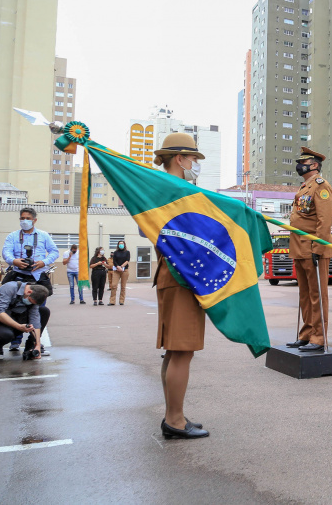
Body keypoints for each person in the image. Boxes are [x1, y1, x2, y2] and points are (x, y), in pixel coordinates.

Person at [151, 132, 209, 439]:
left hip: (174, 274)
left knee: (175, 351)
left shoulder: (163, 190)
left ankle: (176, 415)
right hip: (181, 274)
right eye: (194, 159)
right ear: (180, 158)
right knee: (182, 351)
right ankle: (174, 420)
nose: (195, 164)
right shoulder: (176, 191)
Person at [285, 147, 332, 353]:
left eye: (303, 162)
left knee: (317, 294)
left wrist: (318, 246)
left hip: (313, 247)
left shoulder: (321, 187)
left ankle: (318, 337)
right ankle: (306, 334)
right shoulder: (304, 187)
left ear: (314, 165)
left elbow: (324, 221)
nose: (300, 165)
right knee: (304, 294)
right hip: (299, 247)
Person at [2, 207, 58, 354]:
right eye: (22, 218)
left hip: (38, 277)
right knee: (17, 309)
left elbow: (54, 251)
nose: (24, 221)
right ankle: (15, 341)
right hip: (18, 277)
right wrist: (14, 261)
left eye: (27, 218)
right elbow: (6, 252)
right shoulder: (12, 236)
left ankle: (34, 342)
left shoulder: (43, 235)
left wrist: (43, 262)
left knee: (39, 311)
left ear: (34, 220)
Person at [0, 281, 49, 360]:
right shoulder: (9, 288)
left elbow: (35, 320)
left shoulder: (34, 296)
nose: (30, 303)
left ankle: (31, 348)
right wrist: (19, 326)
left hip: (16, 320)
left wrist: (37, 345)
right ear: (29, 292)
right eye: (30, 301)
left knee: (44, 311)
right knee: (6, 335)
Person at [108, 240, 130, 306]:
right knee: (114, 285)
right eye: (120, 244)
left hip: (124, 270)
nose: (121, 245)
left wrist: (122, 266)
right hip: (116, 271)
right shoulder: (115, 252)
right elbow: (114, 261)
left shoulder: (127, 252)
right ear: (118, 245)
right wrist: (118, 267)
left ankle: (121, 301)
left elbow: (127, 260)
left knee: (123, 287)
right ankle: (112, 301)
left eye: (122, 244)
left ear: (124, 244)